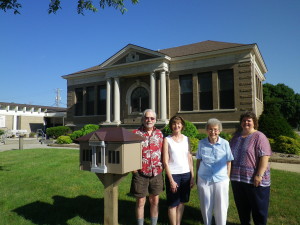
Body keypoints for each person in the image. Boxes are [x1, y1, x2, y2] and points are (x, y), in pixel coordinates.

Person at [230, 111, 272, 225]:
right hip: (237, 179)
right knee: (242, 209)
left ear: (254, 122)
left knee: (259, 210)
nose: (246, 122)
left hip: (254, 180)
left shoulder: (259, 136)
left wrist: (259, 175)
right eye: (244, 120)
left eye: (249, 120)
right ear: (241, 123)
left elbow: (265, 156)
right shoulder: (235, 137)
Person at [196, 118, 234, 225]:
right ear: (207, 130)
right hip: (204, 178)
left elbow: (229, 161)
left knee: (221, 205)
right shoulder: (201, 143)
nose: (213, 132)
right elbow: (199, 160)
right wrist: (197, 177)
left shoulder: (225, 143)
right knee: (205, 205)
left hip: (221, 179)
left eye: (215, 129)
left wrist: (227, 177)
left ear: (219, 130)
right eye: (210, 129)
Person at [130, 109, 164, 225]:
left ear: (155, 120)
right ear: (143, 119)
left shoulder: (159, 134)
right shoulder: (135, 133)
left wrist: (162, 166)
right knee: (140, 201)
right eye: (147, 118)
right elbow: (130, 152)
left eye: (152, 118)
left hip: (157, 173)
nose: (149, 120)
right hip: (140, 173)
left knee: (154, 201)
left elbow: (163, 152)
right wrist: (133, 169)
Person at [163, 115, 194, 225]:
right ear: (171, 126)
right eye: (174, 124)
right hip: (173, 175)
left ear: (182, 125)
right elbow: (165, 162)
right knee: (173, 204)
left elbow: (189, 158)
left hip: (186, 174)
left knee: (181, 202)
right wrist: (171, 180)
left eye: (179, 123)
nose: (176, 125)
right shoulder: (167, 140)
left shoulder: (186, 139)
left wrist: (192, 176)